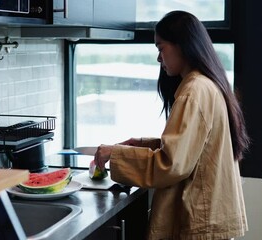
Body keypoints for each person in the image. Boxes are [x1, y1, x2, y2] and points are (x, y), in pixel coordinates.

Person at [94, 10, 250, 240]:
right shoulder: (206, 84)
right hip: (209, 218)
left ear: (182, 46)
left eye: (160, 48)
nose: (159, 58)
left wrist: (115, 154)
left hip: (198, 221)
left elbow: (171, 164)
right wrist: (141, 144)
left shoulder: (193, 91)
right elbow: (195, 149)